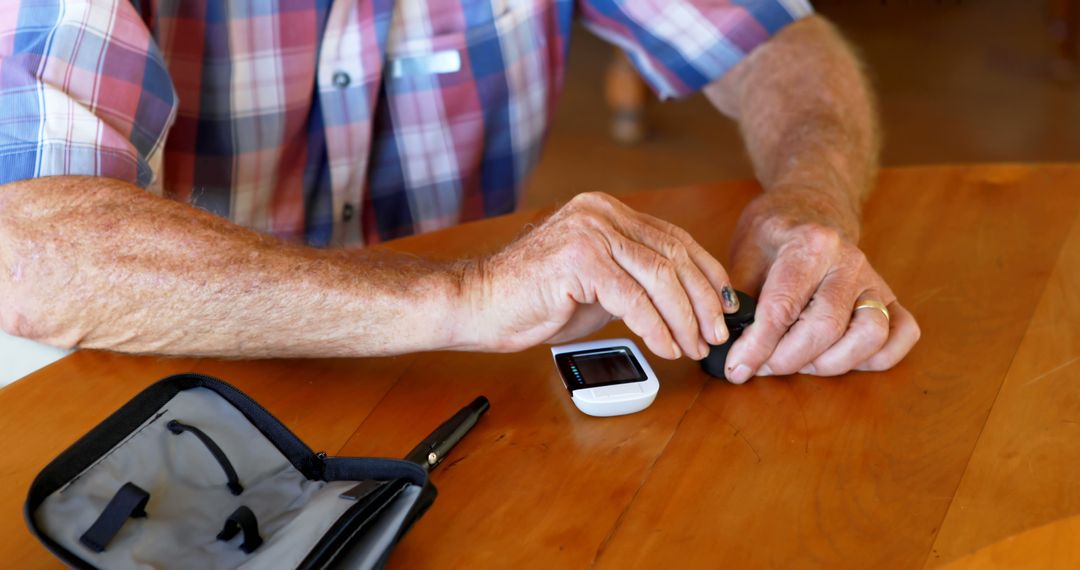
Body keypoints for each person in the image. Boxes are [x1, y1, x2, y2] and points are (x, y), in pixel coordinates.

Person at [0, 0, 919, 385]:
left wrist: (812, 196)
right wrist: (466, 293)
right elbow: (31, 255)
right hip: (140, 375)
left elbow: (775, 39)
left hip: (443, 387)